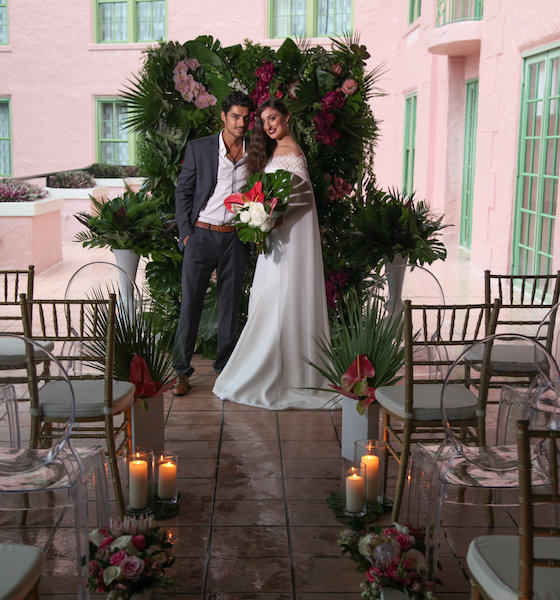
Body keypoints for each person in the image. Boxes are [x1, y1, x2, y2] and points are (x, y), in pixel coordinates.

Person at [212, 98, 333, 409]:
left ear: (287, 117)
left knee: (279, 298)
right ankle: (272, 368)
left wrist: (268, 217)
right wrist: (261, 216)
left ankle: (278, 372)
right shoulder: (276, 150)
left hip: (288, 241)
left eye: (274, 118)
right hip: (276, 238)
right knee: (267, 297)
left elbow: (302, 200)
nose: (269, 126)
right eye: (264, 121)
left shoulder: (291, 153)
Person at [172, 91, 254, 396]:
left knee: (230, 307)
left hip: (235, 236)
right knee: (191, 305)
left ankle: (225, 370)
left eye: (246, 117)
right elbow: (183, 193)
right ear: (223, 116)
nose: (241, 122)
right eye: (235, 116)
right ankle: (181, 370)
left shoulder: (254, 151)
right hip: (201, 235)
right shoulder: (200, 149)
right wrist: (186, 235)